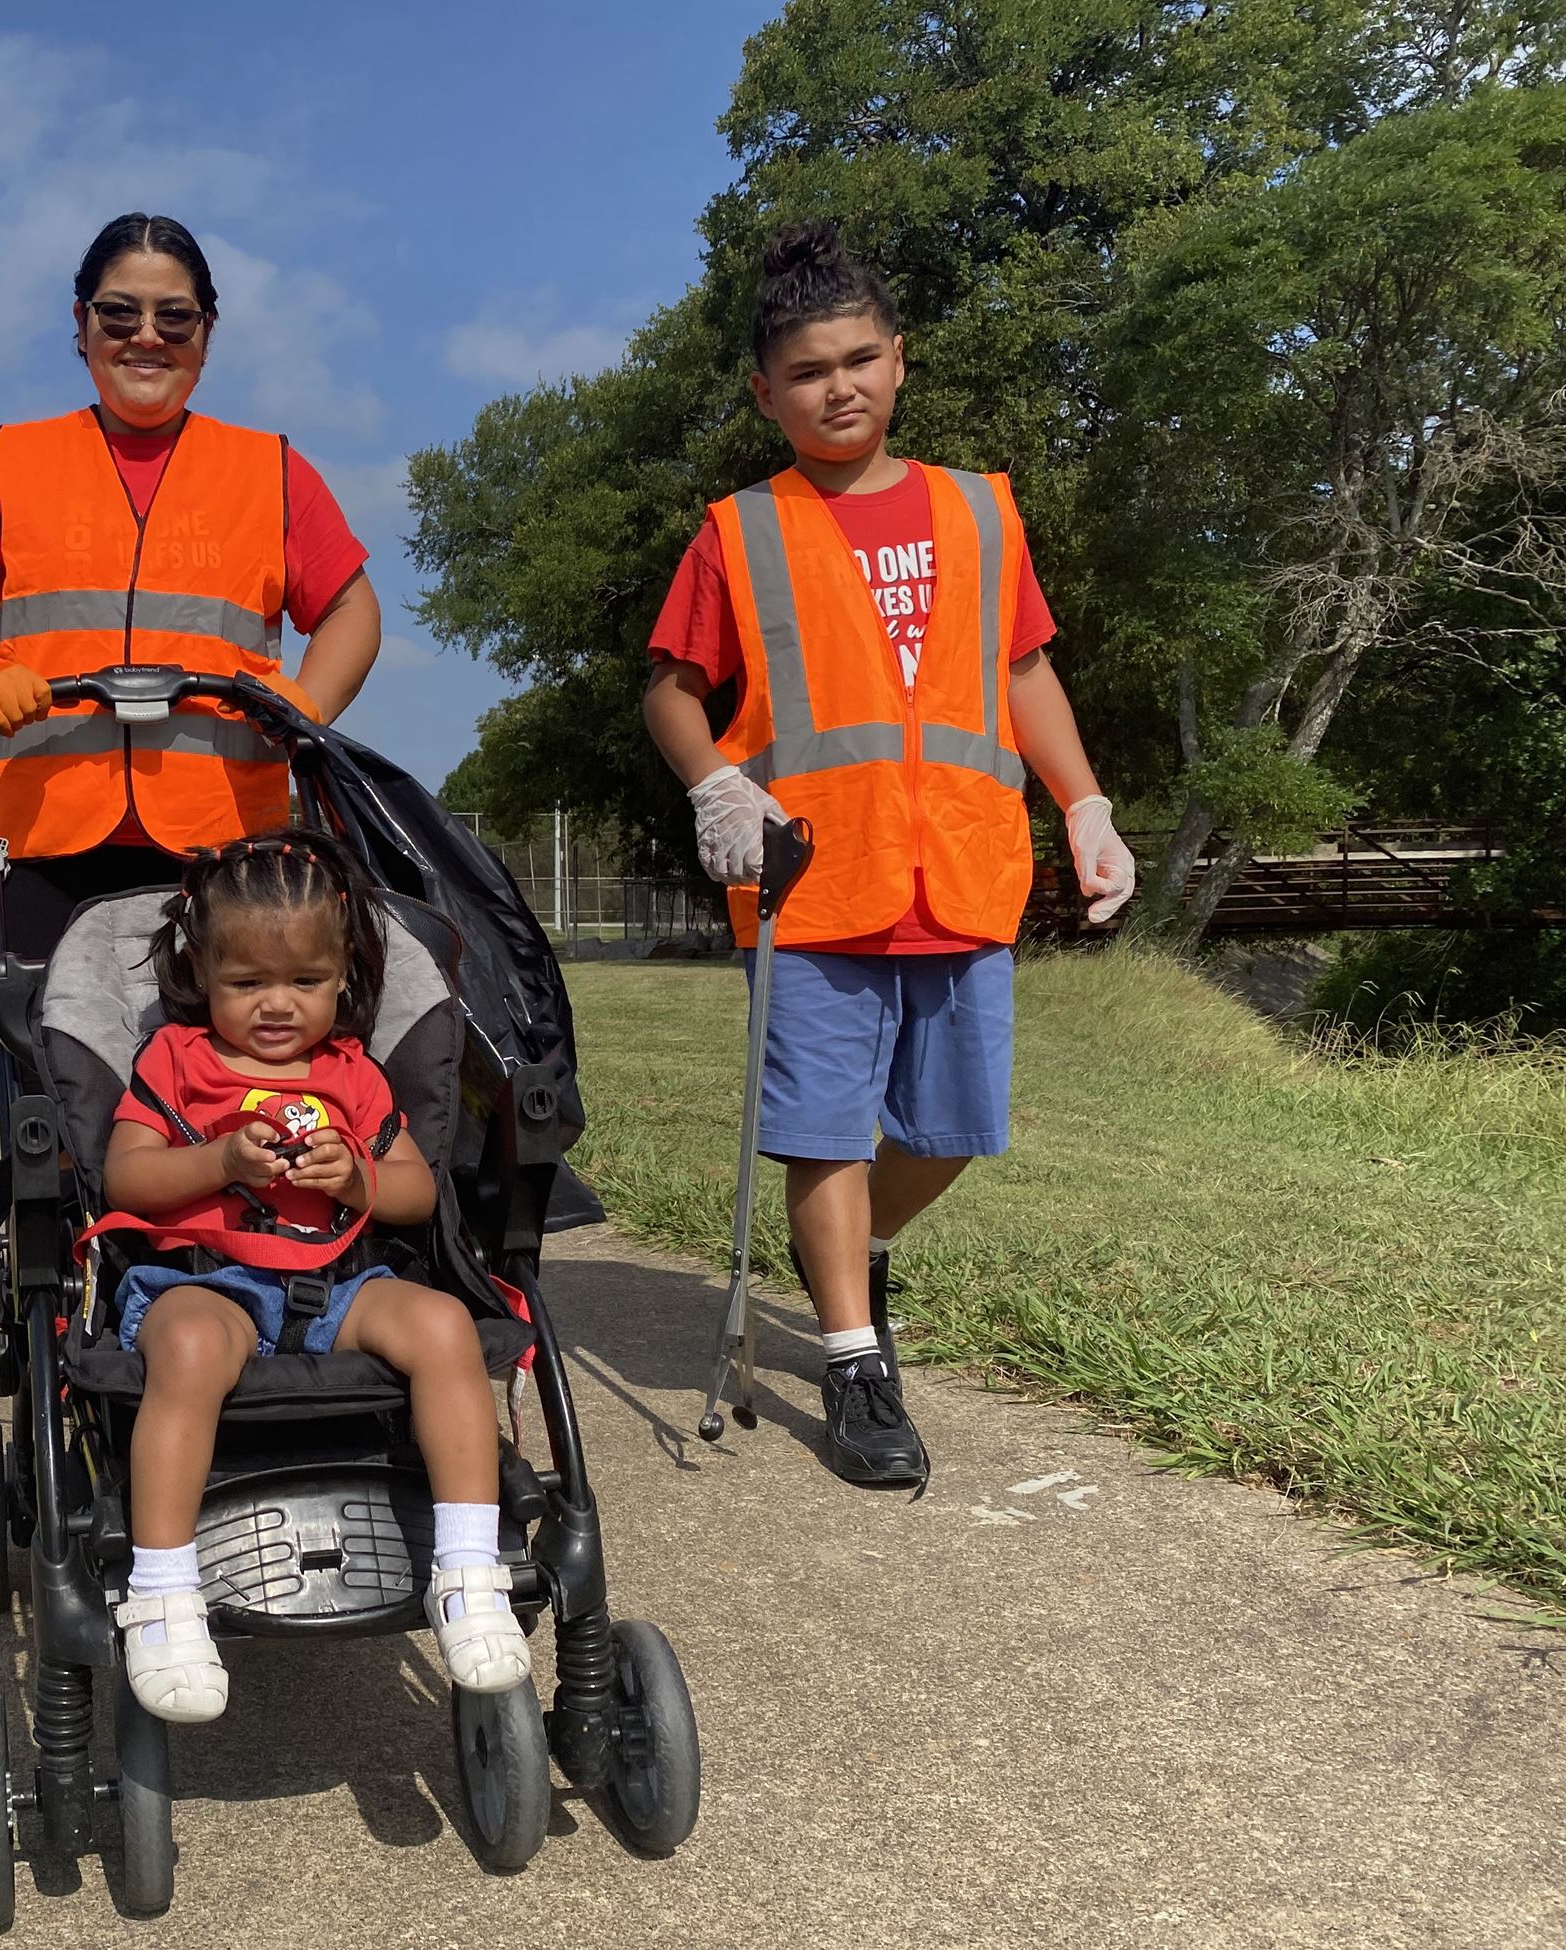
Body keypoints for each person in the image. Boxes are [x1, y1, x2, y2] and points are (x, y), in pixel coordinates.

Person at [643, 222, 1137, 1488]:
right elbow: (669, 691)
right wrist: (712, 785)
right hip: (808, 881)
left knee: (955, 1129)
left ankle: (848, 1255)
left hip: (962, 871)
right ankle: (856, 1364)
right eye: (806, 373)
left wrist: (1082, 804)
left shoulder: (980, 509)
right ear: (766, 393)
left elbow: (1021, 673)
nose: (837, 387)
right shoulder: (737, 531)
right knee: (821, 1135)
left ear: (900, 361)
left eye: (859, 359)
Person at [96, 829, 529, 1724]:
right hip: (209, 1283)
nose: (276, 1005)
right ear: (200, 978)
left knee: (446, 1327)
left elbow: (413, 1192)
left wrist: (361, 1179)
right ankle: (165, 1595)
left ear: (344, 980)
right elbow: (126, 1178)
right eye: (245, 984)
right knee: (181, 1346)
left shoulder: (354, 1076)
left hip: (339, 1283)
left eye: (305, 983)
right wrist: (219, 1161)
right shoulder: (176, 1062)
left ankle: (469, 1571)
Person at [0, 212, 384, 956]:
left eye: (175, 317)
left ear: (207, 333)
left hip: (229, 847)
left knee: (227, 1065)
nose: (147, 336)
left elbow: (350, 609)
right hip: (50, 841)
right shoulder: (6, 462)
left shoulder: (270, 471)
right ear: (81, 324)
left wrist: (308, 705)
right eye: (120, 313)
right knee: (52, 1061)